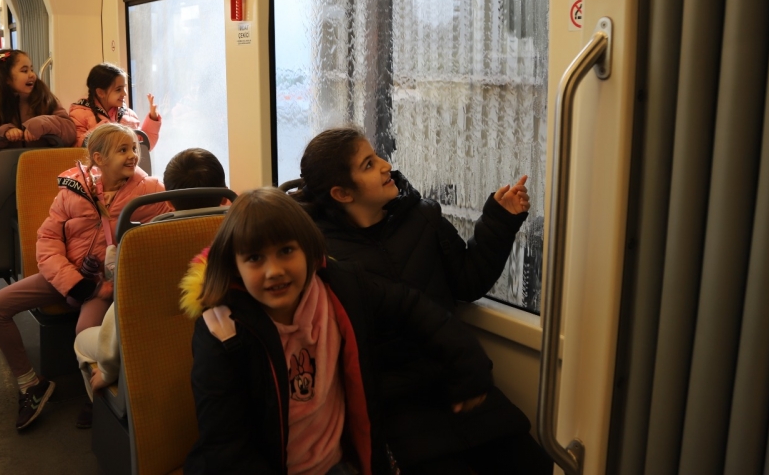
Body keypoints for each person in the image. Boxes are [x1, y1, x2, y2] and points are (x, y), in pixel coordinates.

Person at [181, 188, 499, 475]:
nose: (274, 270)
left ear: (308, 250)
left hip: (337, 462)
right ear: (235, 267)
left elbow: (410, 307)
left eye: (286, 251)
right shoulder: (223, 333)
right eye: (254, 258)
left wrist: (468, 361)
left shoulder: (340, 287)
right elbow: (227, 448)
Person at [292, 127, 552, 475]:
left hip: (459, 384)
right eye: (368, 164)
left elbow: (468, 280)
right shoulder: (321, 255)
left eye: (377, 155)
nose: (386, 165)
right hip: (397, 408)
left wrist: (500, 221)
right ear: (342, 193)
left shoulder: (421, 218)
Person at [0, 123, 172, 431]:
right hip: (67, 275)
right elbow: (48, 240)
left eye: (133, 149)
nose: (132, 156)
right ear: (98, 158)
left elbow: (177, 213)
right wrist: (74, 283)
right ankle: (31, 384)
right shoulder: (73, 191)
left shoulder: (148, 190)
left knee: (85, 332)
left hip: (104, 285)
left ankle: (98, 398)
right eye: (122, 150)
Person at [73, 147, 229, 429]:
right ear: (223, 193)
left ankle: (107, 406)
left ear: (168, 199)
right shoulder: (237, 229)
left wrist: (107, 369)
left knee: (83, 340)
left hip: (151, 353)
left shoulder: (144, 244)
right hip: (221, 346)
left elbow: (119, 318)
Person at [0, 49, 76, 163]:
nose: (32, 75)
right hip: (2, 174)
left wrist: (44, 123)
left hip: (43, 171)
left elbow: (70, 133)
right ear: (6, 78)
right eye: (24, 71)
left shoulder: (45, 99)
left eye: (32, 69)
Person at [70, 63, 161, 148]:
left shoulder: (129, 115)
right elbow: (78, 148)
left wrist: (153, 119)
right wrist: (101, 130)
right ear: (100, 92)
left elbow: (143, 146)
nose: (125, 93)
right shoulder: (79, 114)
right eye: (118, 89)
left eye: (124, 87)